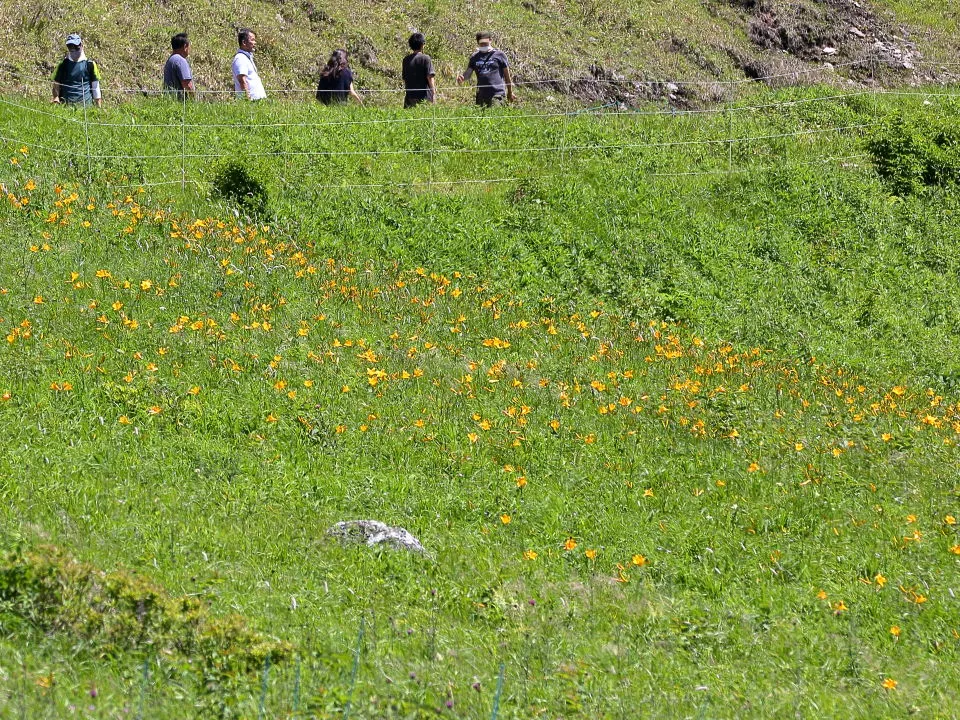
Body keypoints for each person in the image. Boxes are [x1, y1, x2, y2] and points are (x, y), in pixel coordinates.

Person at [456, 32, 514, 107]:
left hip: (497, 94)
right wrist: (462, 78)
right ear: (478, 43)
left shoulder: (500, 55)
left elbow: (507, 76)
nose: (484, 45)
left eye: (486, 43)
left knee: (493, 115)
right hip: (481, 95)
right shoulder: (474, 57)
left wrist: (510, 92)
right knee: (481, 118)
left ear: (490, 40)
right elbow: (468, 73)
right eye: (481, 43)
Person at [51, 33, 102, 107]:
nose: (74, 50)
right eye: (70, 48)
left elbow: (96, 88)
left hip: (86, 108)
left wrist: (98, 108)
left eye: (76, 48)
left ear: (81, 46)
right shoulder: (62, 65)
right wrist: (56, 97)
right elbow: (56, 84)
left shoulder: (90, 64)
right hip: (65, 108)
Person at [401, 33, 435, 108]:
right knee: (425, 119)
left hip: (409, 98)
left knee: (410, 118)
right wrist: (433, 93)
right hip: (424, 97)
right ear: (422, 45)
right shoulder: (426, 59)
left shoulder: (406, 60)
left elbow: (404, 78)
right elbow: (430, 77)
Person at [232, 29, 266, 101]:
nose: (255, 43)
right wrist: (248, 101)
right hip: (252, 103)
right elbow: (242, 81)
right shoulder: (240, 59)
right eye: (252, 40)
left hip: (258, 102)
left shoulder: (246, 58)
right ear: (244, 42)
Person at [163, 33, 195, 99]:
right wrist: (193, 101)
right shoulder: (180, 61)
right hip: (181, 104)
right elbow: (187, 85)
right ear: (185, 46)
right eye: (189, 46)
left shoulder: (171, 59)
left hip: (170, 101)